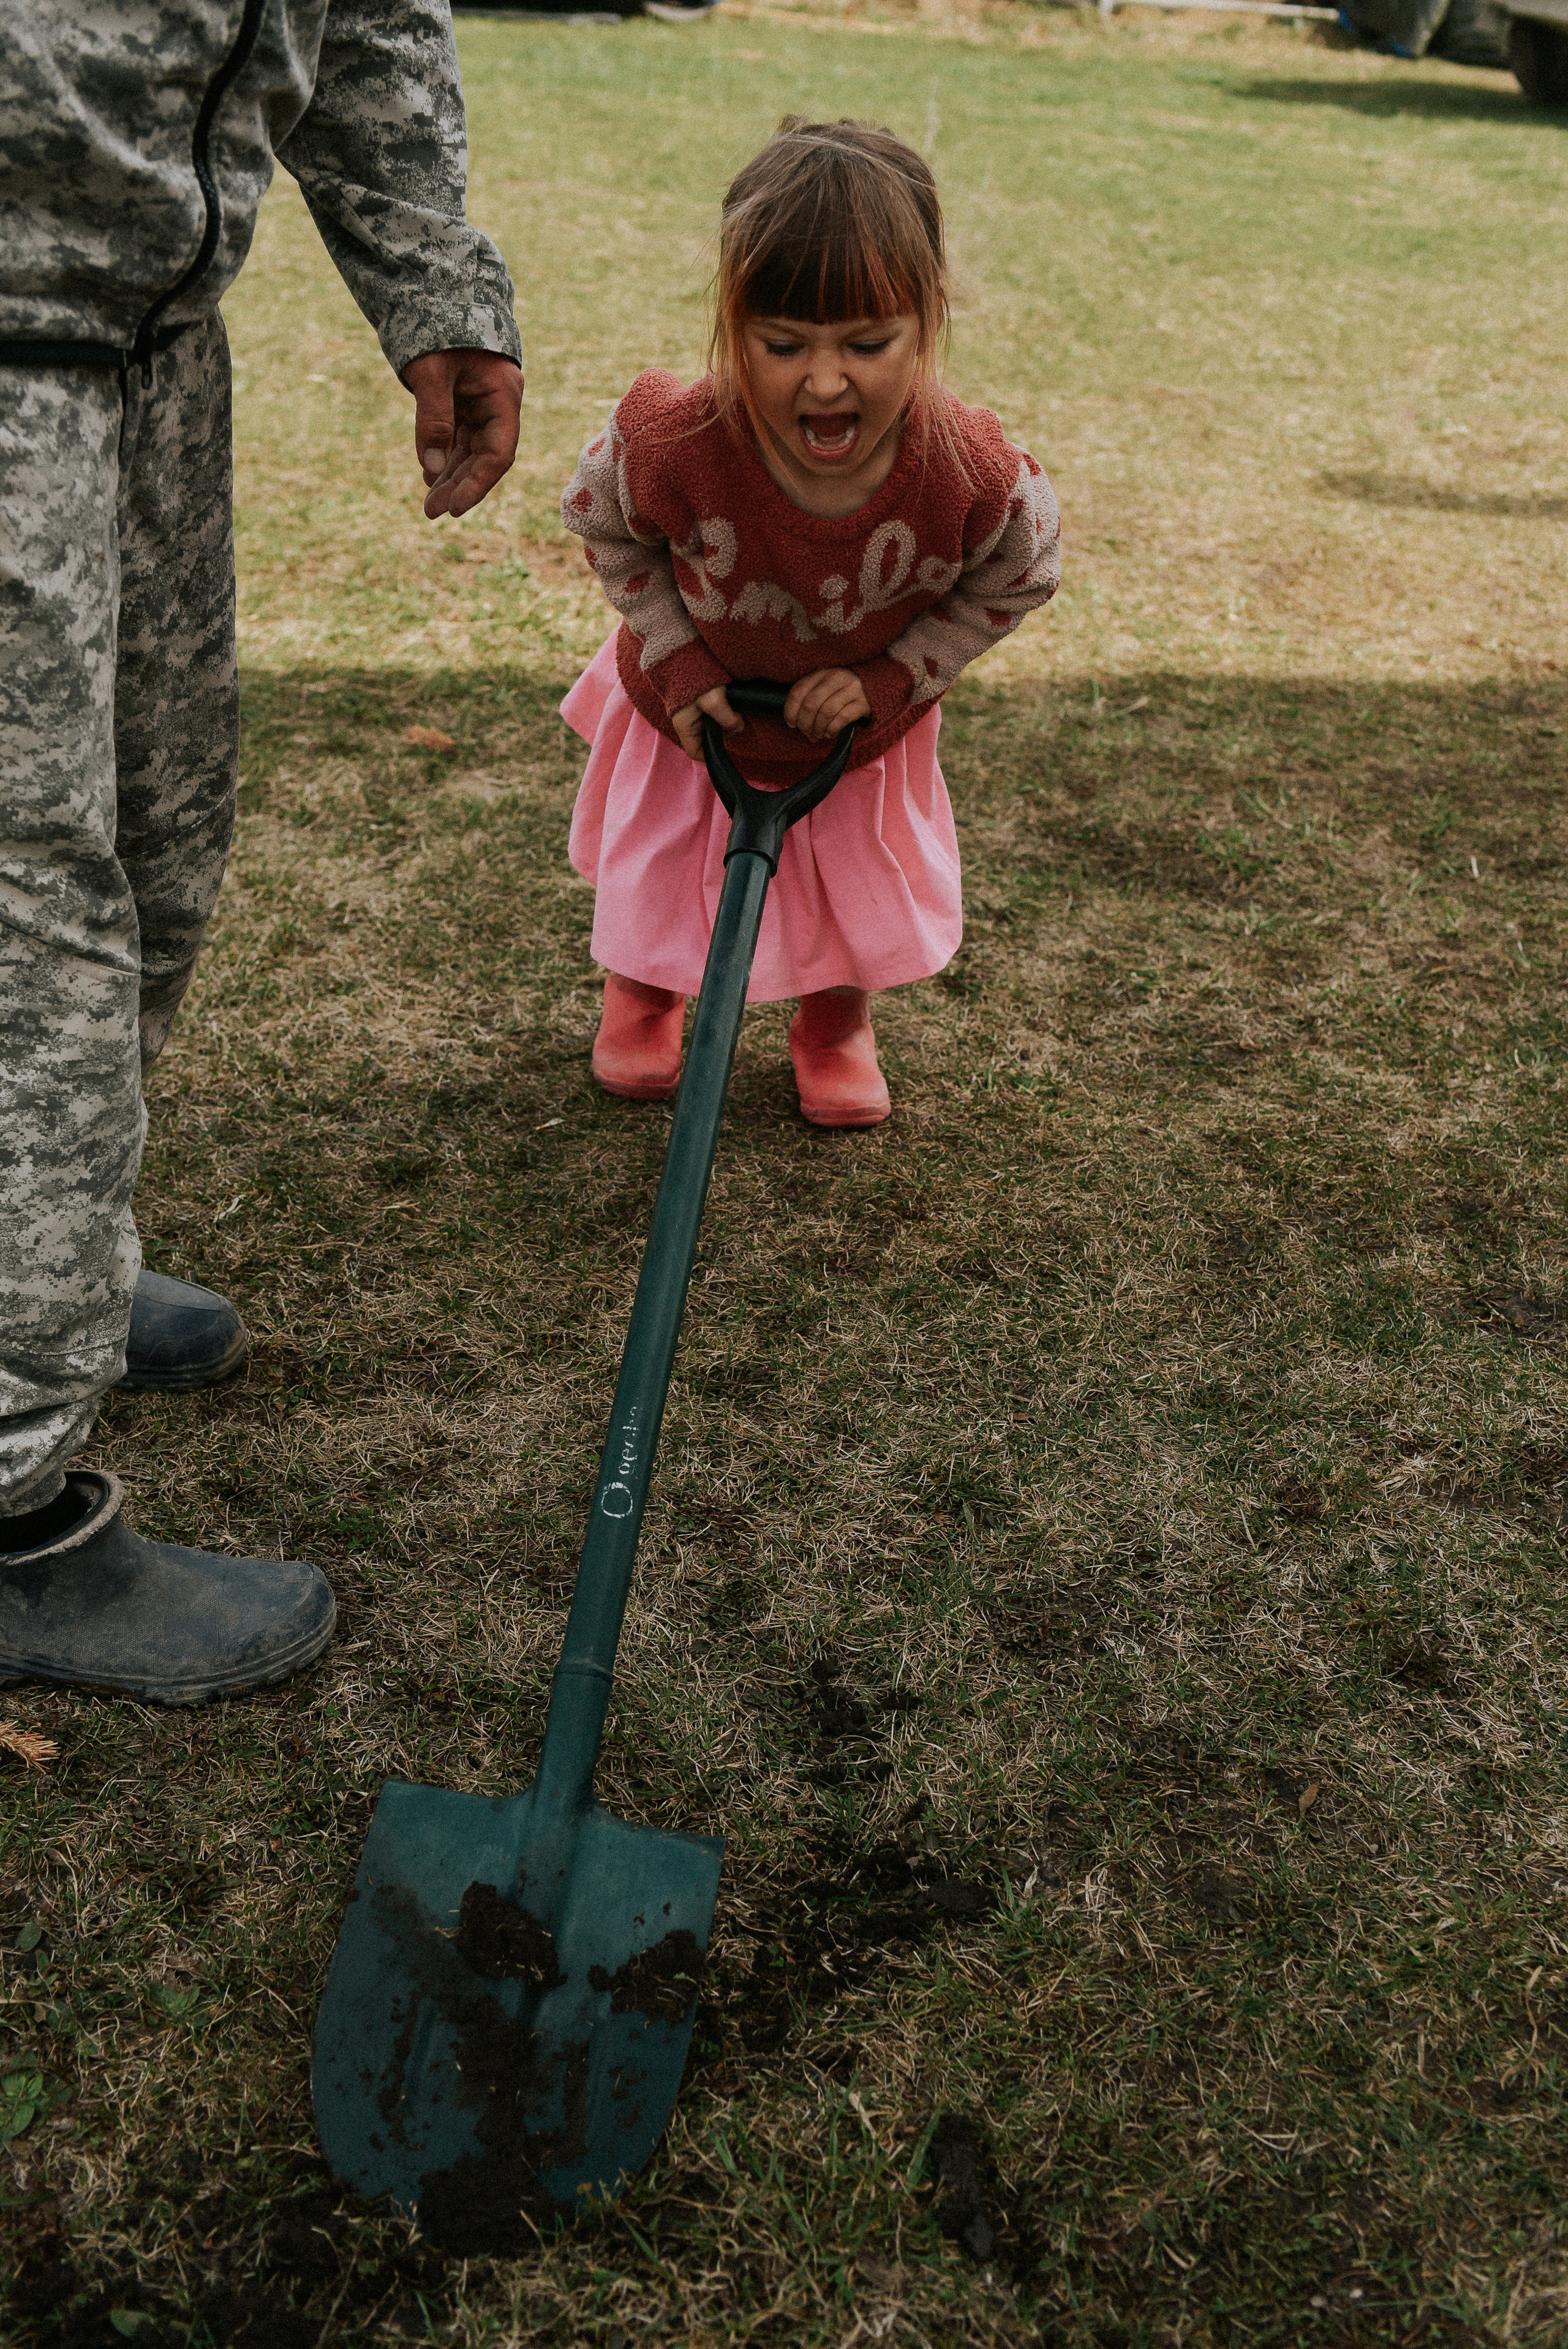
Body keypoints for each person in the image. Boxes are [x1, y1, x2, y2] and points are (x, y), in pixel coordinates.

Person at [0, 1, 523, 1705]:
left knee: (158, 840)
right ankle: (9, 1513)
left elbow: (360, 5)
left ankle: (41, 1271)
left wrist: (433, 279)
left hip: (146, 336)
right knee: (31, 914)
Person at [558, 116, 1059, 1130]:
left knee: (848, 888)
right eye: (782, 346)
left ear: (929, 318)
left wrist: (897, 677)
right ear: (732, 320)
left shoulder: (969, 473)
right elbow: (601, 522)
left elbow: (1024, 572)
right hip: (696, 713)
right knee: (665, 866)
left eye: (868, 345)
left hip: (847, 735)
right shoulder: (671, 439)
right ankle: (644, 994)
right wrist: (676, 654)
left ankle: (834, 1026)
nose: (825, 382)